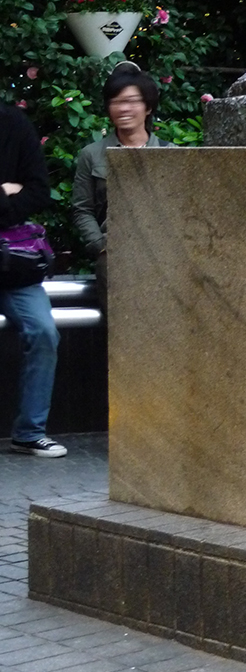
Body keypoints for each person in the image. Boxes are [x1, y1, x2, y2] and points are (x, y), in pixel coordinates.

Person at [72, 63, 175, 309]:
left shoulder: (170, 154)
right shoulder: (92, 154)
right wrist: (101, 247)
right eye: (116, 102)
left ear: (148, 107)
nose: (124, 108)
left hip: (164, 250)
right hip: (114, 252)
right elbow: (82, 209)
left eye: (132, 101)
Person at [0, 103, 64, 457]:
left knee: (43, 331)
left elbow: (39, 192)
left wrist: (15, 195)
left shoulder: (14, 124)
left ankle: (29, 431)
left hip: (13, 265)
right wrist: (4, 192)